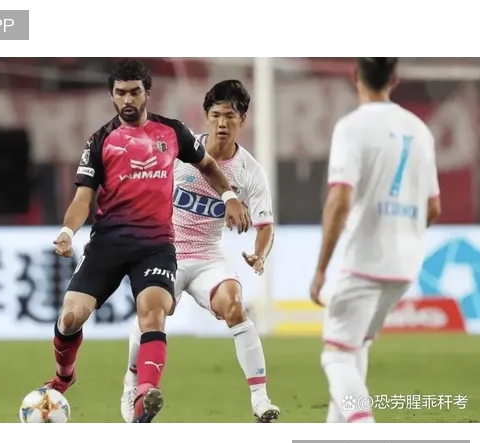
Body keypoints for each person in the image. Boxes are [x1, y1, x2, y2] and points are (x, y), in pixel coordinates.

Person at [43, 60, 250, 423]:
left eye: (134, 92)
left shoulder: (172, 132)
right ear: (112, 95)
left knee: (153, 313)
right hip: (108, 244)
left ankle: (145, 395)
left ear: (147, 93)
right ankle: (64, 376)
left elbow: (207, 165)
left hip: (156, 245)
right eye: (121, 92)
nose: (128, 99)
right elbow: (82, 198)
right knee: (71, 317)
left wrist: (230, 196)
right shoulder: (100, 141)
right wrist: (67, 232)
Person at [120, 80, 280, 423]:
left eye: (230, 116)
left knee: (235, 306)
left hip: (208, 255)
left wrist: (259, 254)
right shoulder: (180, 150)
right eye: (216, 115)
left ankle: (260, 399)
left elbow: (266, 225)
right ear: (206, 117)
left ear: (242, 120)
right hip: (166, 251)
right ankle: (132, 385)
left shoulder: (250, 171)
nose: (222, 123)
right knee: (152, 312)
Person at [309, 58, 441, 423]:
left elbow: (339, 201)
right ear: (394, 79)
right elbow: (433, 207)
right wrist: (405, 233)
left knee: (335, 355)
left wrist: (321, 269)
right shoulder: (420, 130)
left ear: (356, 77)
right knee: (356, 345)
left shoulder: (352, 128)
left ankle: (364, 428)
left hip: (364, 261)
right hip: (406, 266)